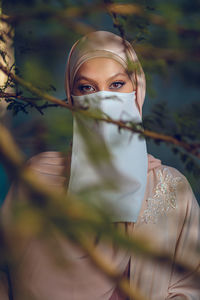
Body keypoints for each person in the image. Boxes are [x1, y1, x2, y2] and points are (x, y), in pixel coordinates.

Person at [0, 31, 200, 300]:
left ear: (137, 91)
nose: (103, 100)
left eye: (117, 85)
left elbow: (192, 284)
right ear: (71, 98)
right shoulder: (36, 179)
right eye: (87, 88)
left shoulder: (172, 188)